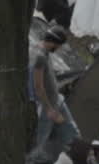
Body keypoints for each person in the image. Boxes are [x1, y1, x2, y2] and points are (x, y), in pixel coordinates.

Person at [28, 26, 79, 157]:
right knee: (41, 140)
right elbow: (38, 85)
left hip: (57, 100)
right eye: (59, 45)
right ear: (54, 42)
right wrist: (49, 109)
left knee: (72, 131)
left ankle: (81, 158)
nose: (59, 49)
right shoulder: (39, 56)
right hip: (47, 107)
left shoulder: (44, 53)